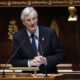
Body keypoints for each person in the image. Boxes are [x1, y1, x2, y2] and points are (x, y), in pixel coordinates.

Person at [11, 7, 64, 73]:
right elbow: (14, 61)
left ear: (37, 19)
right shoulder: (18, 36)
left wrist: (45, 60)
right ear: (23, 22)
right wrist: (30, 62)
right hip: (29, 77)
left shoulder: (49, 33)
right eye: (28, 20)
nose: (32, 22)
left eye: (34, 19)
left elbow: (61, 55)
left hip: (49, 75)